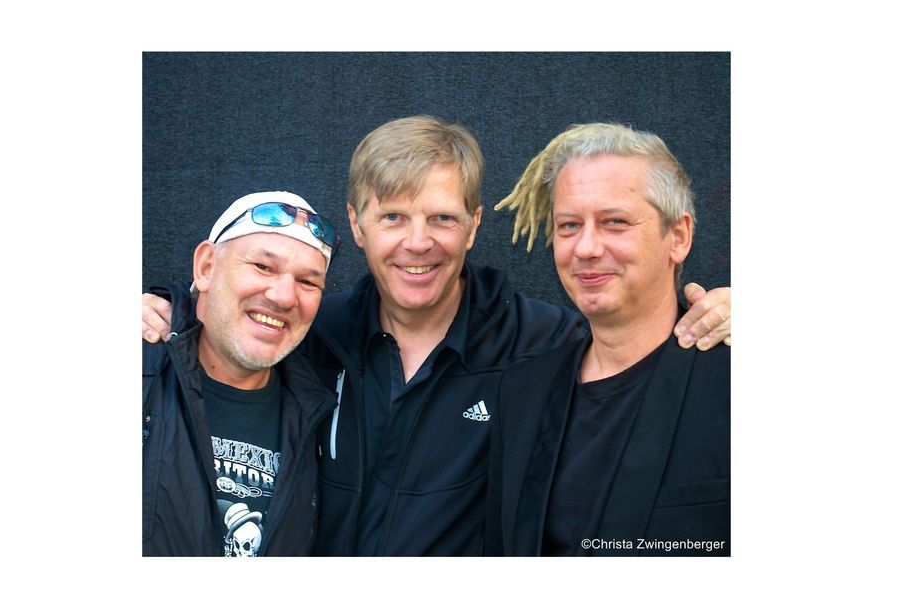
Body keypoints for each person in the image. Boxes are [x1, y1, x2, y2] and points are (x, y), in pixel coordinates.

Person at [142, 116, 731, 556]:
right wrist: (164, 313)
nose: (418, 242)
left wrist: (729, 314)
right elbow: (230, 330)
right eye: (393, 217)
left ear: (473, 226)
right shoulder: (312, 336)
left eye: (442, 218)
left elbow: (633, 338)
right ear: (357, 224)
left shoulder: (542, 344)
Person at [485, 123, 730, 556]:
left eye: (615, 222)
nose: (586, 248)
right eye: (569, 225)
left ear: (678, 237)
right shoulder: (521, 393)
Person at [142, 191, 341, 556]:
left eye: (308, 282)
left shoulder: (326, 415)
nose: (284, 296)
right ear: (206, 267)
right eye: (263, 267)